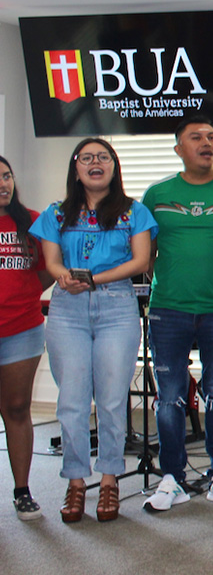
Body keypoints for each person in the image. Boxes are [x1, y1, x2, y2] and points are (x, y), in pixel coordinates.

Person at [29, 139, 158, 523]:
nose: (95, 163)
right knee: (71, 401)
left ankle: (109, 480)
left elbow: (141, 260)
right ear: (76, 167)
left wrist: (93, 279)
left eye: (103, 157)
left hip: (116, 306)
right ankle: (75, 481)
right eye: (86, 158)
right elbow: (51, 262)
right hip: (67, 309)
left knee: (112, 400)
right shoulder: (56, 212)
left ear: (114, 166)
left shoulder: (134, 211)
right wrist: (64, 277)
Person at [141, 115, 213, 512]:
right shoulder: (156, 195)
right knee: (169, 398)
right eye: (196, 137)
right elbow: (145, 257)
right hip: (168, 311)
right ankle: (172, 478)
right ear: (178, 149)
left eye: (211, 136)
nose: (206, 143)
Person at [0, 155, 53, 521]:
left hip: (21, 329)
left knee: (17, 408)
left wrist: (26, 292)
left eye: (6, 176)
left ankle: (22, 491)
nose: (3, 184)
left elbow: (49, 268)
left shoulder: (33, 221)